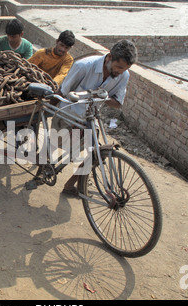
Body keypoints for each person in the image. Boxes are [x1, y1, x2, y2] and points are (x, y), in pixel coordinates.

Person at [50, 39, 138, 196]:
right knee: (61, 147)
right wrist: (48, 111)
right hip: (68, 114)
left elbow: (117, 102)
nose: (120, 72)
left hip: (90, 118)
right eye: (118, 67)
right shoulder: (84, 66)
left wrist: (100, 96)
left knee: (95, 154)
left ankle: (70, 185)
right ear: (110, 57)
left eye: (124, 69)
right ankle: (46, 164)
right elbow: (63, 92)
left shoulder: (123, 75)